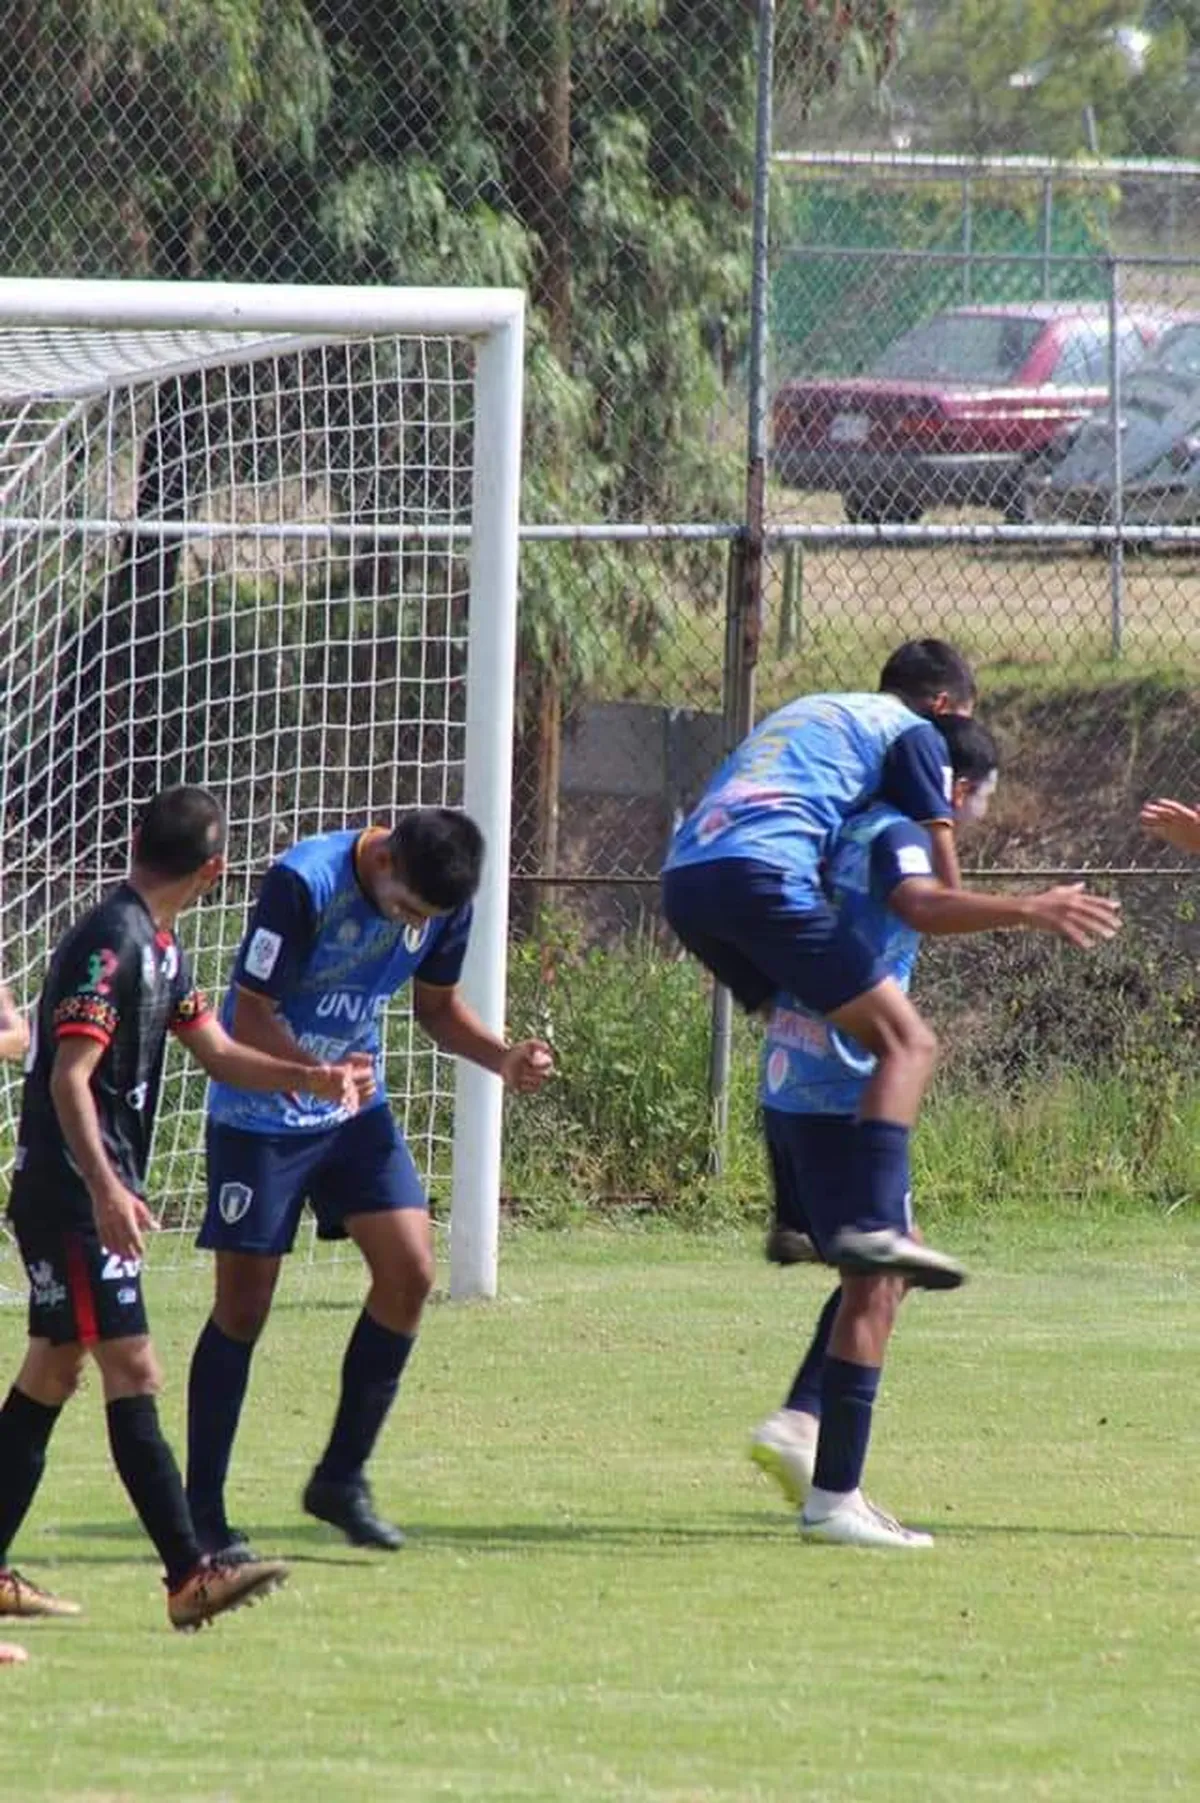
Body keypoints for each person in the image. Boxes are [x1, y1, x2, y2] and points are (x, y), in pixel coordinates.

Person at [747, 716, 1121, 1548]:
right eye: (979, 799)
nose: (977, 817)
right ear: (956, 788)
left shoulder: (839, 823)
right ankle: (832, 1493)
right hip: (846, 1087)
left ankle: (807, 1426)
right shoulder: (893, 834)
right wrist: (1030, 907)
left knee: (888, 1259)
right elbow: (920, 899)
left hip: (792, 1077)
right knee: (880, 1276)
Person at [0, 786, 367, 1631]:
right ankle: (189, 1574)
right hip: (74, 1196)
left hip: (83, 1192)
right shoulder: (114, 940)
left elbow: (222, 1052)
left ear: (136, 838)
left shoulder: (159, 945)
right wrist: (103, 1188)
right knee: (134, 1369)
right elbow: (67, 1077)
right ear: (216, 869)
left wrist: (307, 1076)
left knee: (53, 1370)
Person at [184, 808, 554, 1559]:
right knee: (243, 1307)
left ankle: (340, 1479)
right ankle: (201, 1512)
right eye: (408, 909)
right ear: (384, 859)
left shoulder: (446, 902)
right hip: (262, 1109)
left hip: (353, 1107)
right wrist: (307, 1075)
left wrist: (503, 1056)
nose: (411, 924)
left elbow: (437, 1009)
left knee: (411, 1271)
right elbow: (246, 1016)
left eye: (426, 918)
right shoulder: (304, 881)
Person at [663, 639, 978, 1289]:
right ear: (944, 705)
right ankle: (879, 1222)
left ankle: (794, 1215)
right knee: (908, 1040)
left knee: (797, 1012)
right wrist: (1032, 906)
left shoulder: (820, 709)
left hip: (686, 880)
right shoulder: (916, 733)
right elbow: (938, 894)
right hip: (762, 875)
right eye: (965, 721)